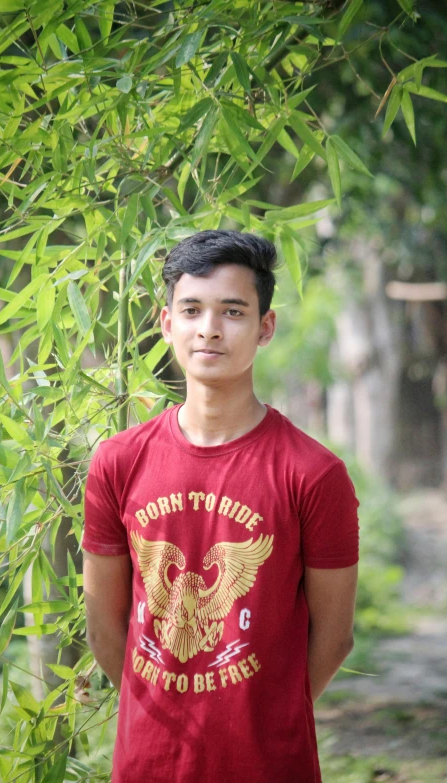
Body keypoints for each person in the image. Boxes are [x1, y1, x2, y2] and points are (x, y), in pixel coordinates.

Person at [82, 230, 360, 783]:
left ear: (265, 328)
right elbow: (103, 624)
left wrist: (267, 710)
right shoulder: (117, 461)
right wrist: (161, 704)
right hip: (149, 764)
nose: (209, 328)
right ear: (167, 324)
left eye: (233, 311)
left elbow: (334, 635)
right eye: (192, 310)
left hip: (270, 765)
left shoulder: (312, 472)